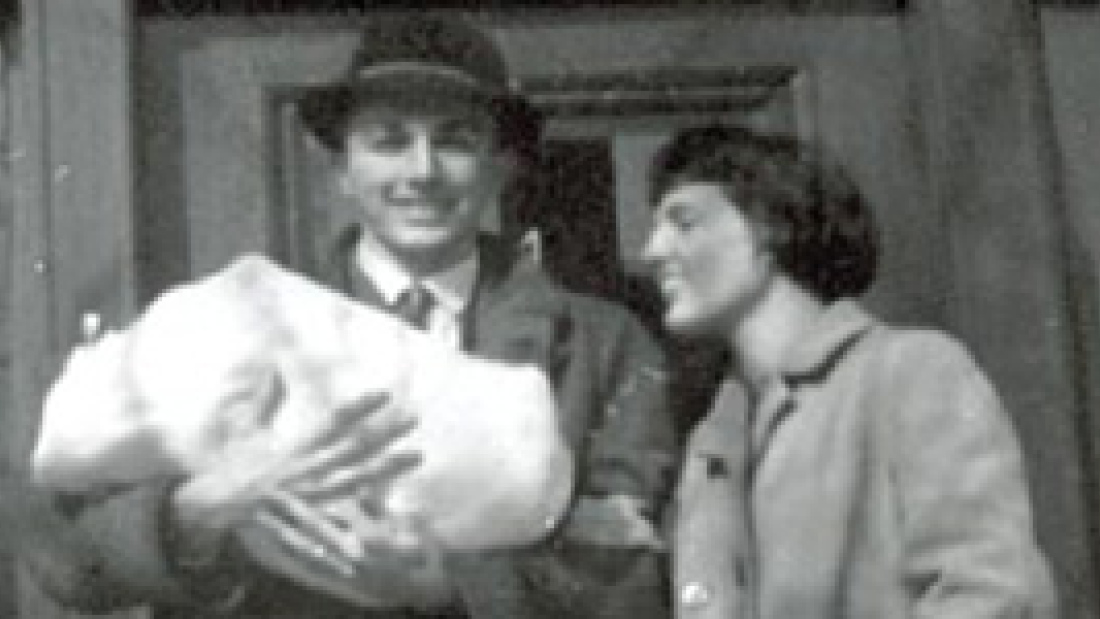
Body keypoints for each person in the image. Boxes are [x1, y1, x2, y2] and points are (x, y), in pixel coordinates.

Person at [28, 14, 676, 619]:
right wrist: (192, 517)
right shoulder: (243, 329)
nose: (421, 172)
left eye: (454, 141)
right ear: (342, 169)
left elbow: (638, 579)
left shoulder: (605, 342)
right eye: (388, 142)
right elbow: (64, 562)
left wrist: (451, 587)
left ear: (500, 166)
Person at [641, 124, 1057, 618]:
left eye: (685, 223)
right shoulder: (714, 436)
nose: (653, 251)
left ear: (771, 226)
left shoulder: (909, 372)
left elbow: (994, 595)